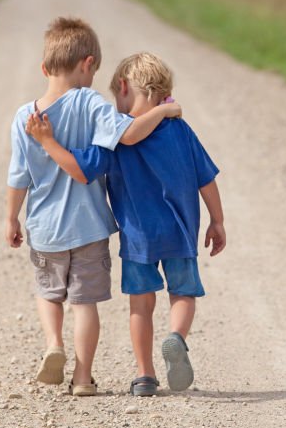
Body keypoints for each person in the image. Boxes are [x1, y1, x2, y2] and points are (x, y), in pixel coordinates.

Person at [26, 51, 225, 396]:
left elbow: (82, 169)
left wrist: (48, 141)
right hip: (180, 232)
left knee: (141, 305)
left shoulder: (114, 137)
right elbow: (205, 178)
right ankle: (176, 337)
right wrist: (217, 221)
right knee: (183, 294)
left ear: (122, 87)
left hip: (138, 238)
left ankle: (145, 375)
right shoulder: (179, 129)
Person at [6, 19, 181, 396]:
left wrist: (10, 219)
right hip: (88, 227)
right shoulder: (89, 103)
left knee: (48, 292)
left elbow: (18, 176)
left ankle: (54, 343)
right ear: (88, 64)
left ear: (44, 68)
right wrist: (165, 111)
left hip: (45, 227)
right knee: (84, 304)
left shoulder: (24, 117)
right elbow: (130, 133)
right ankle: (83, 378)